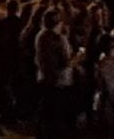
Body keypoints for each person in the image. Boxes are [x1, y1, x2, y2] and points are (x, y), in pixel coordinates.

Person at [35, 8, 74, 139]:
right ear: (59, 22)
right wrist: (78, 56)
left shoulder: (40, 36)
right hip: (58, 80)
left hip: (43, 77)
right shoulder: (58, 38)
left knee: (45, 110)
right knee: (56, 112)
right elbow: (65, 61)